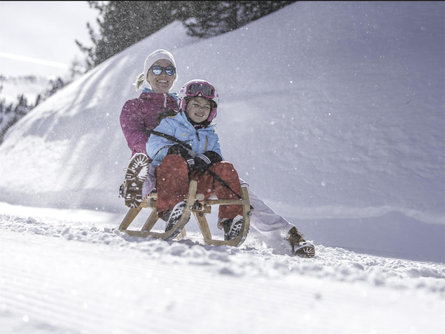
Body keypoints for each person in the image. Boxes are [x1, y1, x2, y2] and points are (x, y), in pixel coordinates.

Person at [146, 79, 245, 242]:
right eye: (196, 105)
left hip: (199, 183)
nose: (201, 110)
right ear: (185, 105)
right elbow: (152, 145)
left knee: (226, 168)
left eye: (207, 107)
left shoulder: (210, 134)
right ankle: (173, 212)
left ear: (212, 111)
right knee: (174, 163)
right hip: (169, 181)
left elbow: (217, 156)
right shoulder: (171, 124)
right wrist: (172, 150)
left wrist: (209, 158)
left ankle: (231, 220)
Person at [119, 49, 179, 208]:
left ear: (174, 76)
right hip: (149, 162)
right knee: (148, 172)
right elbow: (134, 138)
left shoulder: (183, 107)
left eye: (169, 70)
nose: (163, 75)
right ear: (147, 76)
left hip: (177, 166)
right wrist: (162, 150)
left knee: (235, 183)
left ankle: (239, 221)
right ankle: (135, 187)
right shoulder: (134, 106)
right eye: (157, 69)